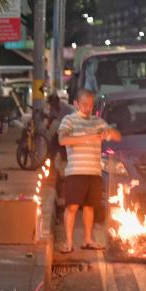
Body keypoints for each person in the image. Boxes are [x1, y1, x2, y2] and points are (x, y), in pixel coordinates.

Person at [57, 89, 121, 254]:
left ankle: (87, 240)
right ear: (76, 104)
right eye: (84, 104)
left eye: (90, 105)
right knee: (72, 206)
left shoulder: (97, 121)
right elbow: (62, 139)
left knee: (90, 207)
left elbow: (117, 136)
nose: (87, 108)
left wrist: (108, 132)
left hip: (94, 171)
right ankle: (68, 242)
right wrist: (89, 137)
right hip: (75, 171)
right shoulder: (69, 120)